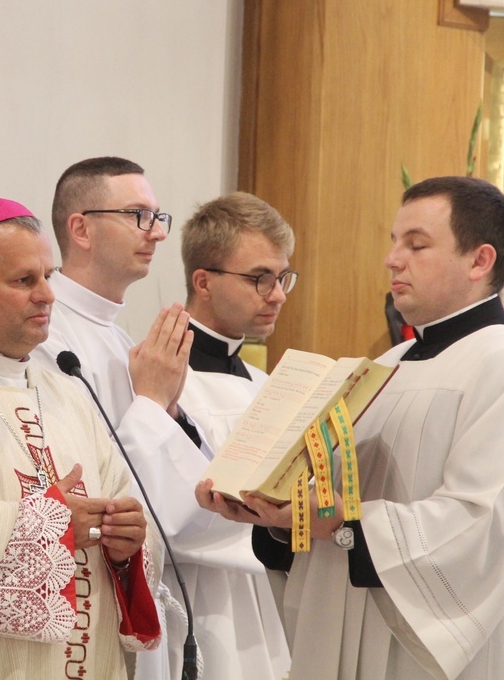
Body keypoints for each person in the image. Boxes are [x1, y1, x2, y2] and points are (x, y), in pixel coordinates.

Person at [197, 176, 504, 679]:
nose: (392, 259)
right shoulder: (385, 367)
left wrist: (344, 524)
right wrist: (278, 517)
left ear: (479, 261)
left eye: (416, 245)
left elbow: (487, 531)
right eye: (394, 242)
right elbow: (332, 505)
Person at [0, 197, 162, 678]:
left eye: (48, 276)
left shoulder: (68, 392)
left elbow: (122, 501)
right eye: (24, 280)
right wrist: (47, 527)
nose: (47, 295)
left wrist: (126, 545)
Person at [35, 157, 208, 679]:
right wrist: (152, 402)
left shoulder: (117, 335)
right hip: (78, 595)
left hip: (131, 575)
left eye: (158, 217)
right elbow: (83, 476)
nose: (157, 233)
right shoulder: (45, 334)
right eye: (138, 216)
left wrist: (168, 407)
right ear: (81, 228)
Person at [171, 192, 294, 679]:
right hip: (199, 605)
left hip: (268, 604)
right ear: (203, 281)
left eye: (282, 278)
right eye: (260, 278)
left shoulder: (267, 386)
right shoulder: (159, 379)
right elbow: (170, 510)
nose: (277, 295)